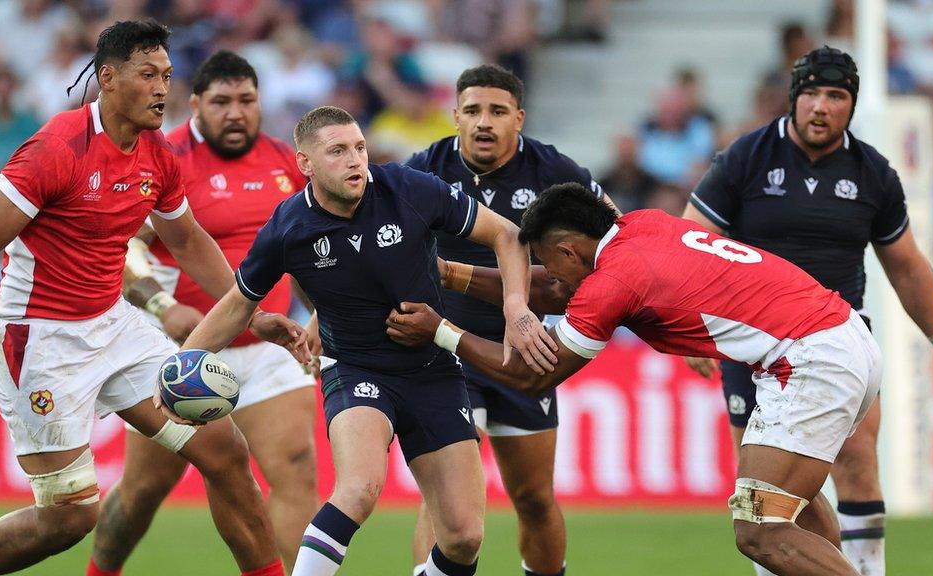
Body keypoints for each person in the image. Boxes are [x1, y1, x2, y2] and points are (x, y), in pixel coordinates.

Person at [385, 183, 933, 576]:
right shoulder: (642, 228)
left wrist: (442, 331)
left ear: (565, 248)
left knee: (756, 530)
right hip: (845, 335)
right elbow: (558, 288)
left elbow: (534, 377)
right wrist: (451, 274)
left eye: (549, 260)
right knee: (793, 506)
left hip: (811, 360)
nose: (550, 275)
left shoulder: (617, 279)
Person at [0, 21, 286, 576]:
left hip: (113, 324)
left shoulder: (158, 154)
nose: (161, 88)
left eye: (167, 76)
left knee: (225, 451)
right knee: (70, 519)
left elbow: (188, 240)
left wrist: (256, 312)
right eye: (147, 75)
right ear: (108, 79)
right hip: (41, 339)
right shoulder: (56, 148)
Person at [180, 105, 554, 576]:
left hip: (432, 369)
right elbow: (238, 303)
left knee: (463, 537)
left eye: (359, 147)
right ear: (306, 164)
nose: (356, 160)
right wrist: (183, 362)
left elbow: (506, 233)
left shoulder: (409, 189)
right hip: (355, 368)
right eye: (337, 151)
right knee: (358, 489)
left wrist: (515, 306)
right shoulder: (288, 227)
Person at [682, 46, 933, 576]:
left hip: (839, 342)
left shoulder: (873, 173)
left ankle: (869, 569)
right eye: (811, 93)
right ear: (794, 98)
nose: (821, 106)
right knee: (765, 486)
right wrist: (692, 332)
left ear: (851, 106)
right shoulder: (746, 158)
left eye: (836, 96)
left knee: (856, 463)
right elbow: (691, 241)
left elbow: (907, 267)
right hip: (753, 344)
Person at [86, 51, 317, 576]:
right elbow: (124, 248)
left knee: (297, 469)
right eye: (221, 102)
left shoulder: (285, 161)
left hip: (267, 346)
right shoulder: (165, 159)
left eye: (246, 100)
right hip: (180, 354)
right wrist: (164, 306)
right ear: (194, 105)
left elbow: (308, 249)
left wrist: (322, 313)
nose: (235, 113)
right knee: (144, 491)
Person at [404, 63, 604, 576]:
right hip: (444, 351)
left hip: (524, 353)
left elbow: (616, 240)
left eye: (497, 111)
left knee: (535, 499)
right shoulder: (422, 170)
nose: (483, 123)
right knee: (445, 494)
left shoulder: (556, 172)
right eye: (472, 111)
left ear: (519, 118)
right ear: (455, 117)